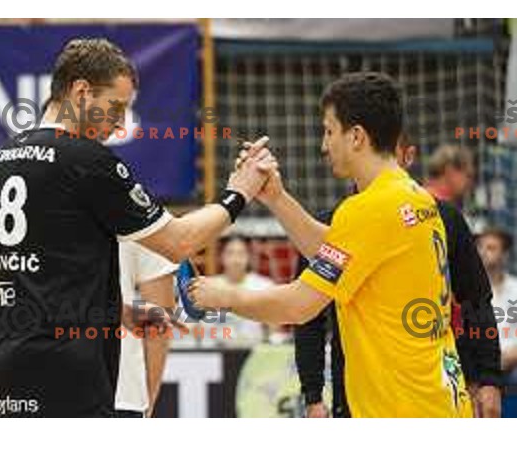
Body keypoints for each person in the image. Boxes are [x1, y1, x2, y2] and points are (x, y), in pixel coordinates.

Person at [0, 37, 273, 417]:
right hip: (65, 379)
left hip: (0, 375)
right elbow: (179, 242)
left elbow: (39, 274)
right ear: (81, 91)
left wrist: (115, 311)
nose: (119, 124)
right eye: (114, 108)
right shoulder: (85, 160)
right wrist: (238, 193)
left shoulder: (1, 159)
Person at [190, 71, 473, 418]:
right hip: (438, 398)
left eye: (328, 131)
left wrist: (222, 295)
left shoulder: (367, 210)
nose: (323, 146)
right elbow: (340, 253)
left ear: (356, 136)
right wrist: (277, 198)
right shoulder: (415, 196)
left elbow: (298, 306)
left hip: (402, 407)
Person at [294, 133, 501, 418]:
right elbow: (307, 317)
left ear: (407, 156)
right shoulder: (332, 225)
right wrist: (313, 395)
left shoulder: (442, 216)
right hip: (360, 396)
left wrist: (489, 377)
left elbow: (476, 300)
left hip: (434, 389)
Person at [115, 242, 177, 417]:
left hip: (42, 383)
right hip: (121, 390)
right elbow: (160, 324)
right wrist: (147, 404)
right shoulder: (143, 219)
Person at [207, 236, 272, 347]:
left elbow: (274, 326)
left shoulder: (264, 286)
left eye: (241, 253)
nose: (236, 259)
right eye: (230, 253)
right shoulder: (209, 286)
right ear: (221, 257)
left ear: (249, 257)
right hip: (217, 349)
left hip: (253, 350)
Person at [476, 227, 517, 376]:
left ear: (505, 255)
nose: (482, 252)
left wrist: (509, 358)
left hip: (511, 366)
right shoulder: (468, 291)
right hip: (479, 366)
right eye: (480, 247)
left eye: (491, 248)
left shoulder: (515, 288)